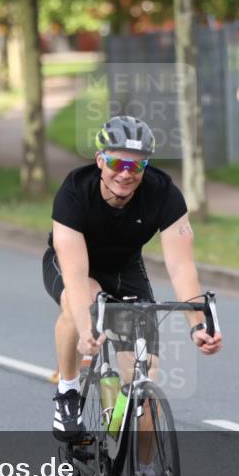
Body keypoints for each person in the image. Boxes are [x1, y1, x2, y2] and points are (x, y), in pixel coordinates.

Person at [44, 115, 222, 435]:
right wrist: (88, 330)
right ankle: (68, 392)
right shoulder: (74, 191)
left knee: (144, 386)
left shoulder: (163, 193)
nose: (125, 174)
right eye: (117, 162)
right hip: (75, 267)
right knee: (79, 299)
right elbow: (75, 271)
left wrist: (198, 326)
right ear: (100, 160)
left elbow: (181, 266)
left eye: (136, 166)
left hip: (126, 268)